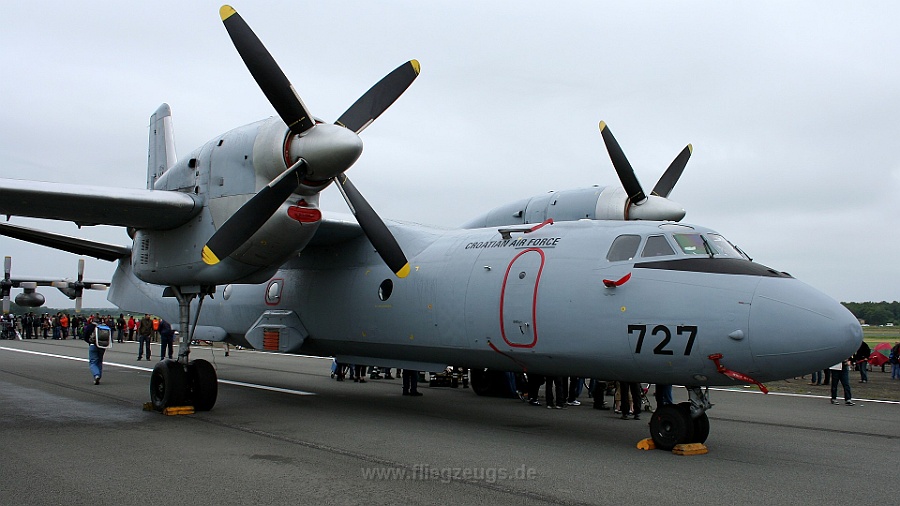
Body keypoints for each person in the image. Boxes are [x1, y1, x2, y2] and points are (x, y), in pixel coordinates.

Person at [81, 319, 103, 384]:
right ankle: (99, 376)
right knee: (99, 361)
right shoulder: (102, 326)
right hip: (102, 345)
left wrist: (90, 342)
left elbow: (85, 336)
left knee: (93, 362)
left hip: (93, 345)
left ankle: (96, 375)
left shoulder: (90, 326)